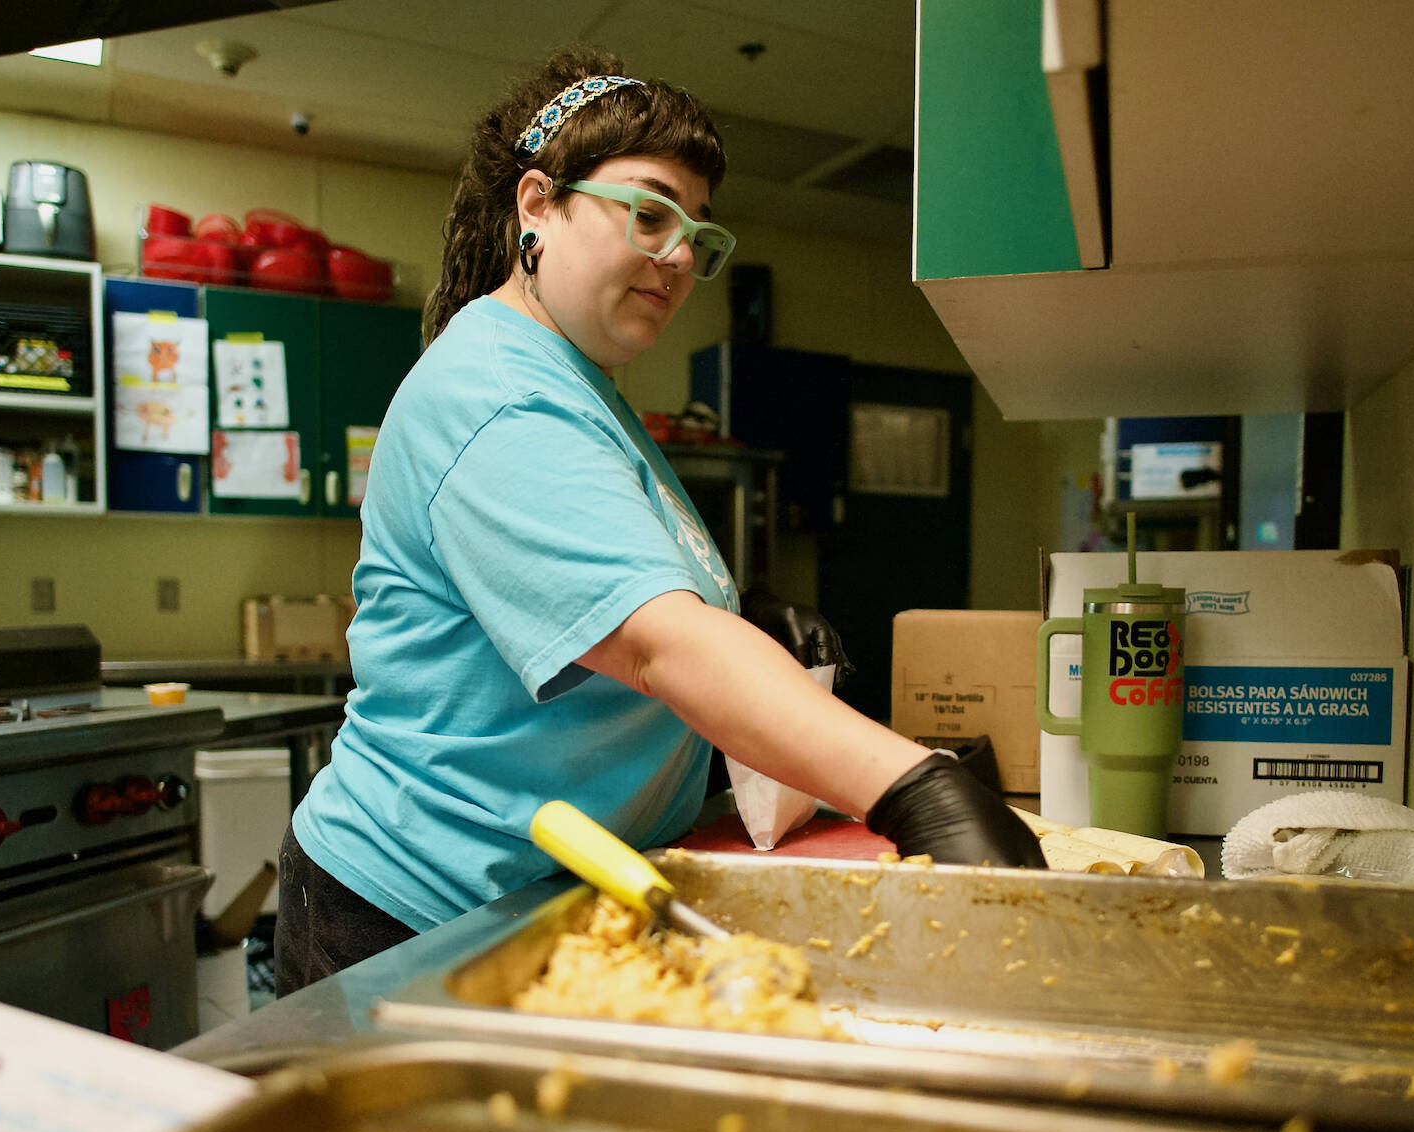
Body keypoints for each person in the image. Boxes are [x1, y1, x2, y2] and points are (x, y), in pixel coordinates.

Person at [278, 46, 1042, 995]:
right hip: (417, 908)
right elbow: (657, 646)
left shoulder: (580, 388)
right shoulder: (495, 395)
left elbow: (632, 601)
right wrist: (913, 787)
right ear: (537, 207)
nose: (680, 256)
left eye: (699, 235)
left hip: (549, 888)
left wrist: (743, 617)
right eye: (649, 212)